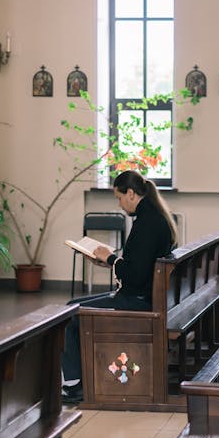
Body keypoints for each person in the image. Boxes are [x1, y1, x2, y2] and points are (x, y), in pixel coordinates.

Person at [62, 170, 177, 403]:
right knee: (72, 307)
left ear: (131, 194)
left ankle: (73, 386)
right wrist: (108, 261)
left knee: (69, 313)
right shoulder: (155, 217)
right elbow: (138, 265)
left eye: (119, 197)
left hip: (137, 302)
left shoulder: (146, 223)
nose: (120, 203)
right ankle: (81, 379)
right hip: (147, 296)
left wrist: (111, 259)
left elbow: (135, 275)